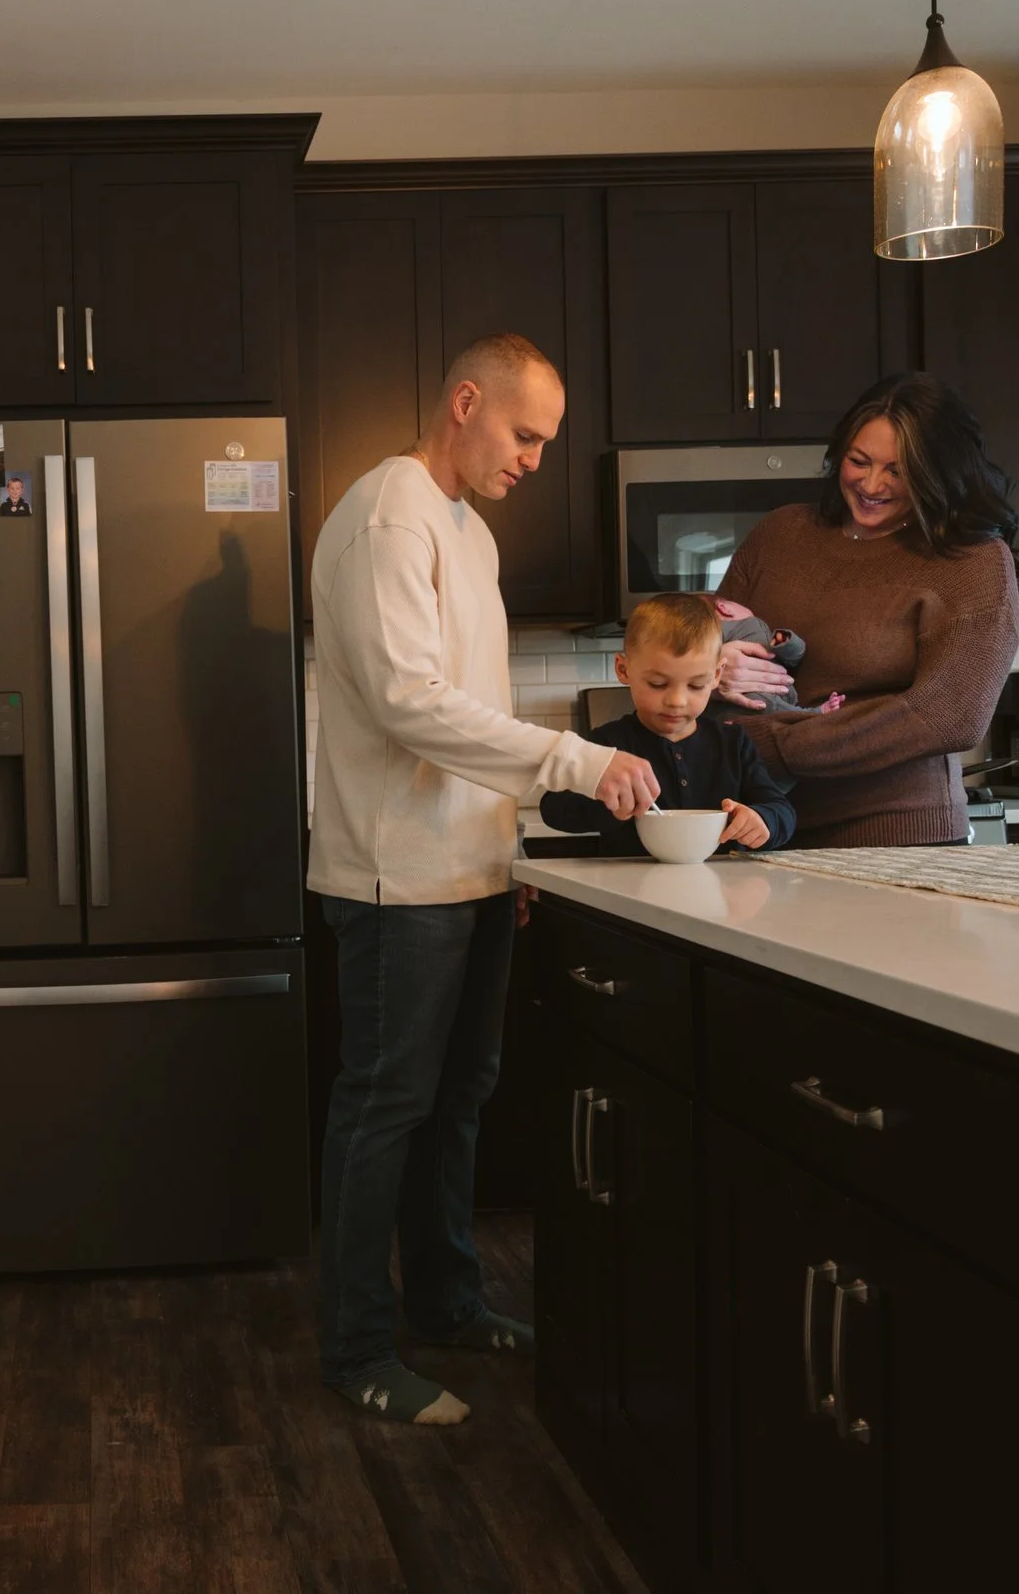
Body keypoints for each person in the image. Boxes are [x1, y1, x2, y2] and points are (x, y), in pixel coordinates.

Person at [308, 331, 659, 1426]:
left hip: (467, 870)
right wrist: (576, 761)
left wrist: (506, 849)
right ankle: (356, 1348)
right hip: (394, 878)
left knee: (456, 1099)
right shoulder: (388, 516)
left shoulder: (468, 530)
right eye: (524, 434)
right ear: (465, 402)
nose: (534, 460)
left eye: (545, 442)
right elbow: (410, 703)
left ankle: (448, 1303)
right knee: (385, 1106)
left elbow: (478, 707)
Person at [713, 371, 1019, 848]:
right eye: (859, 461)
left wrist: (774, 745)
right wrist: (711, 667)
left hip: (895, 835)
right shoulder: (780, 534)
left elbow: (949, 714)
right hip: (757, 825)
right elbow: (690, 645)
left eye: (898, 471)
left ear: (937, 473)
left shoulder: (971, 560)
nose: (872, 484)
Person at [539, 592, 795, 856]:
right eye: (658, 684)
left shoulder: (733, 743)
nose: (676, 701)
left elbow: (781, 810)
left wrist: (762, 820)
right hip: (631, 881)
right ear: (623, 669)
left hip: (721, 881)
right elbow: (553, 807)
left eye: (696, 685)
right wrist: (608, 803)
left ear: (717, 675)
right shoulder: (608, 744)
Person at [709, 598, 843, 717]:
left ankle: (808, 714)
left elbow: (796, 657)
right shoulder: (718, 627)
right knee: (761, 704)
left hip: (777, 685)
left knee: (764, 704)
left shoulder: (760, 629)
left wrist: (785, 642)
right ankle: (810, 714)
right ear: (723, 608)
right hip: (751, 693)